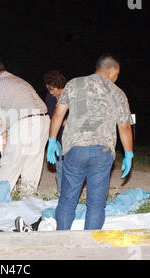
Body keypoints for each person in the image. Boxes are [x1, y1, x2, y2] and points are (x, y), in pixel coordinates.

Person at [46, 54, 134, 230]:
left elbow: (58, 114)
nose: (117, 78)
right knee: (96, 203)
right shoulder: (118, 93)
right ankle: (90, 244)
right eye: (117, 74)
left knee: (67, 200)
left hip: (75, 148)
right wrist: (129, 153)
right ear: (112, 71)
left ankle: (61, 240)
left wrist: (52, 140)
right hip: (102, 151)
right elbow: (124, 127)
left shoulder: (73, 84)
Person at [0, 59, 50, 197]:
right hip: (43, 121)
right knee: (32, 167)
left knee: (9, 164)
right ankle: (27, 200)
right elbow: (14, 115)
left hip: (26, 123)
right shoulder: (20, 81)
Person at [43, 70, 67, 194]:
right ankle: (61, 192)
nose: (51, 93)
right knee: (60, 167)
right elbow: (52, 118)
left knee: (73, 168)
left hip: (70, 138)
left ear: (60, 86)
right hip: (56, 138)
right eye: (49, 89)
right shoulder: (50, 97)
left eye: (53, 89)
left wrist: (63, 121)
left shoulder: (71, 94)